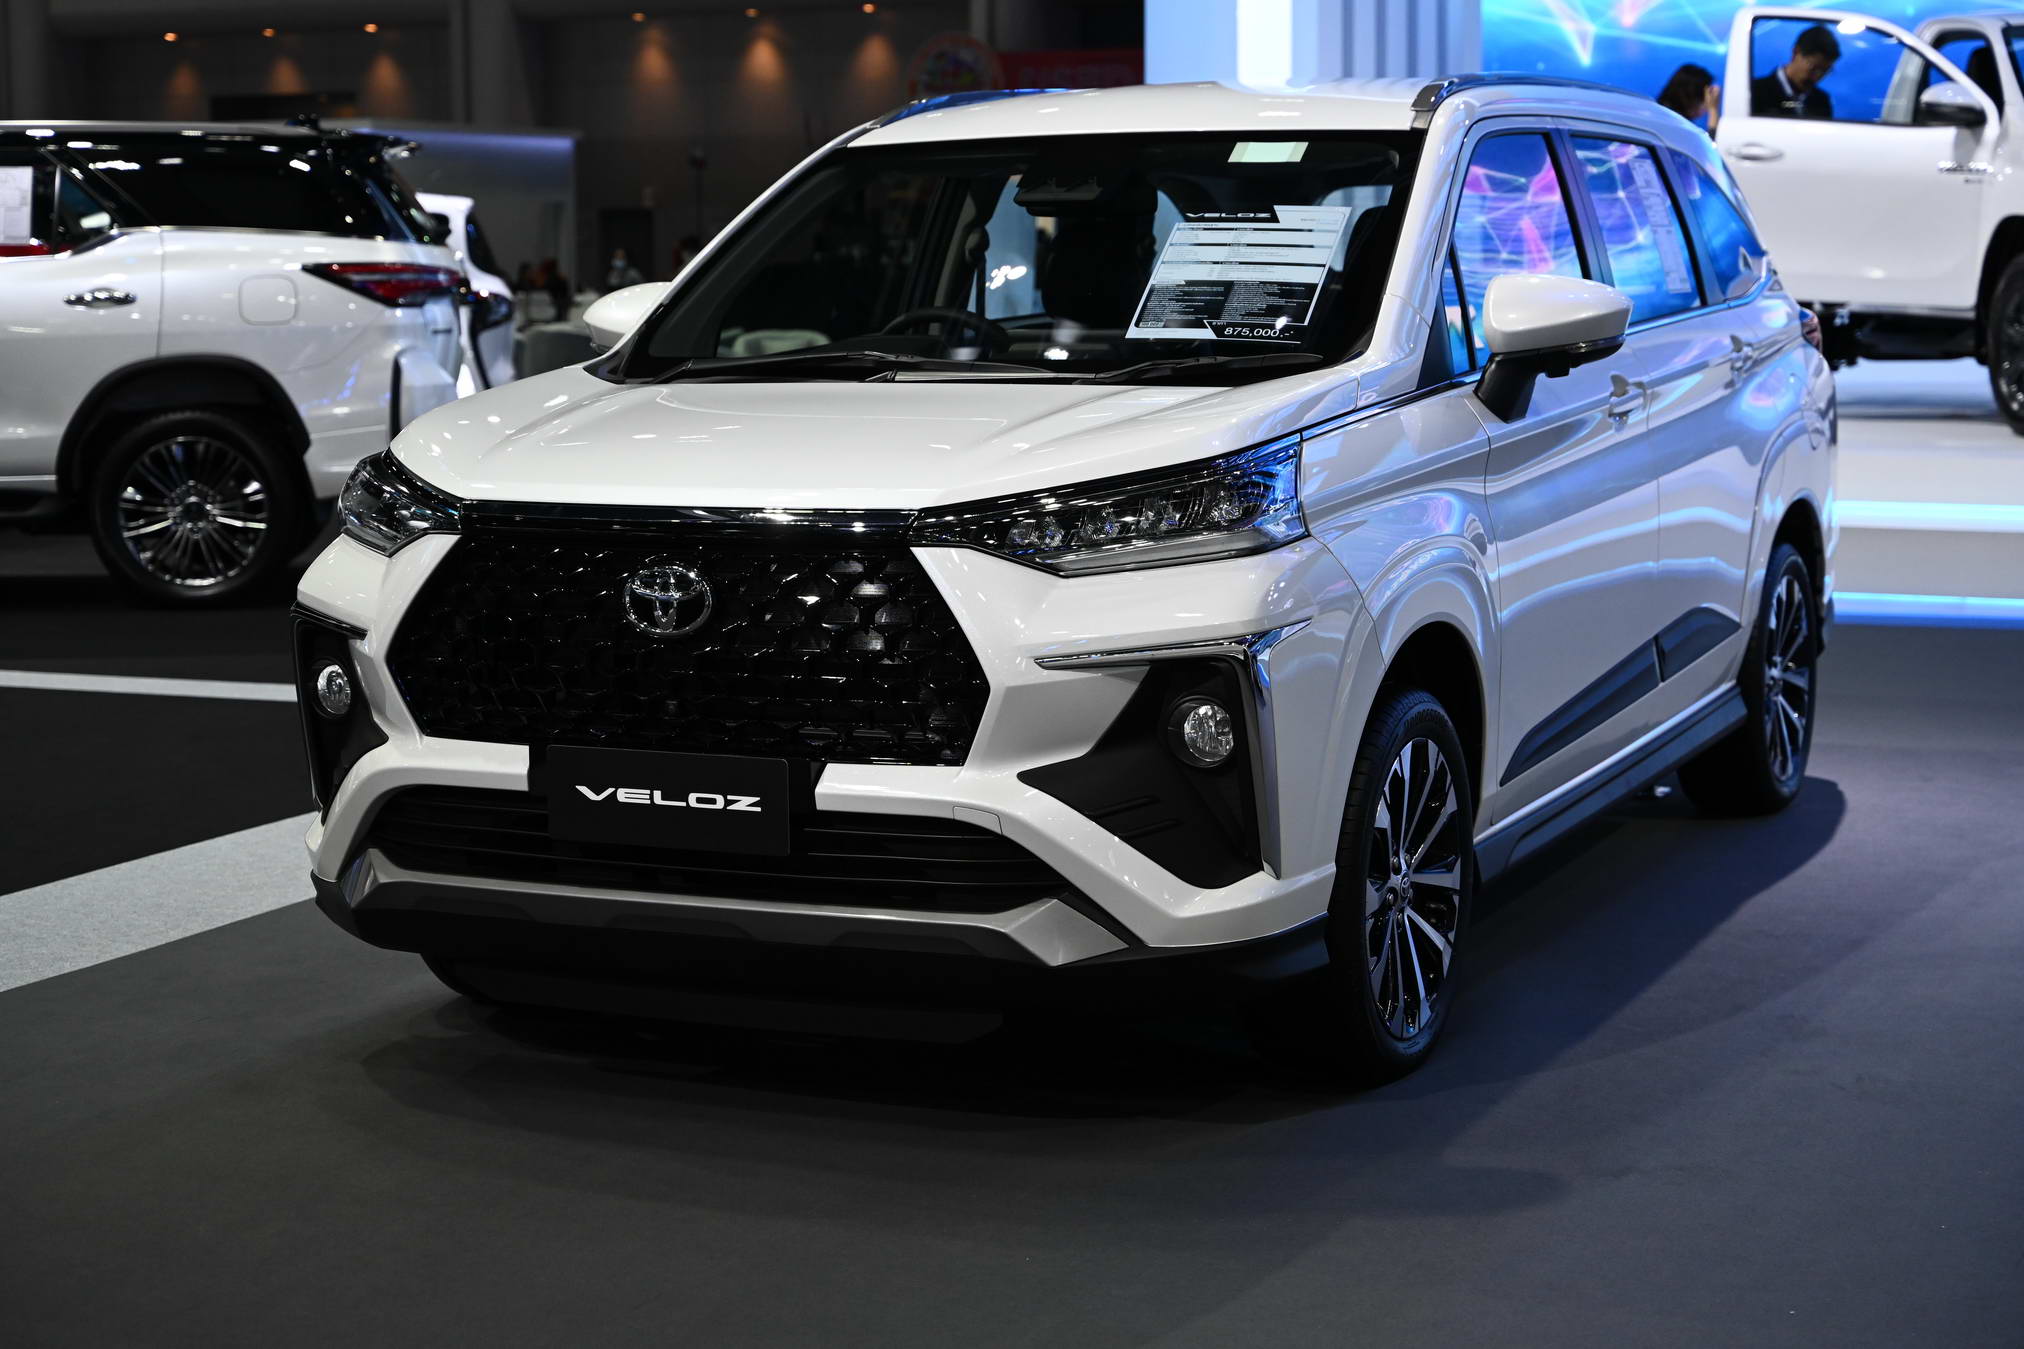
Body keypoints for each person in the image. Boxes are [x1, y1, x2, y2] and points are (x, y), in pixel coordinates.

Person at [1751, 24, 1839, 119]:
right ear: (1796, 52)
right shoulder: (1755, 92)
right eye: (1813, 67)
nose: (1818, 76)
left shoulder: (1822, 101)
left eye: (1825, 71)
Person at [1658, 63, 1720, 134]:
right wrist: (1713, 110)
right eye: (1704, 97)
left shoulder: (1660, 113)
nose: (1708, 102)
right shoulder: (1673, 125)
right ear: (1691, 97)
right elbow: (1710, 141)